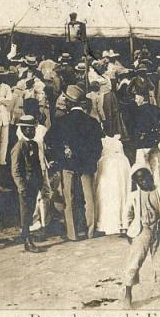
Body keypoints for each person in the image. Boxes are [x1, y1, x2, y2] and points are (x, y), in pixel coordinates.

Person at [46, 85, 104, 241]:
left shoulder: (61, 121)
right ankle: (90, 231)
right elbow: (98, 146)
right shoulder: (92, 122)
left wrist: (62, 155)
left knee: (69, 199)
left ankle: (72, 234)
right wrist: (91, 160)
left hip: (68, 165)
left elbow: (49, 140)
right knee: (89, 197)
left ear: (70, 104)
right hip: (87, 166)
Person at [120, 163, 160, 310]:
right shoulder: (134, 196)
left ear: (151, 176)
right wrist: (127, 230)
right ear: (136, 182)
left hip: (158, 231)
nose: (144, 181)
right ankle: (127, 296)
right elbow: (127, 213)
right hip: (142, 231)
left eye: (145, 177)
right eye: (140, 180)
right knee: (134, 263)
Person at [10, 115, 50, 253]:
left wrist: (39, 182)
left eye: (33, 129)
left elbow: (37, 165)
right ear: (22, 129)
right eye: (29, 129)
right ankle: (27, 240)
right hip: (25, 186)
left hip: (34, 184)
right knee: (25, 214)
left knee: (30, 212)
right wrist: (21, 187)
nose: (32, 132)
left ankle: (28, 238)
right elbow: (15, 170)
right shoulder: (19, 147)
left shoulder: (34, 144)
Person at [94, 133, 131, 235]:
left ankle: (111, 222)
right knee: (119, 193)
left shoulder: (103, 141)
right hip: (120, 164)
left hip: (109, 164)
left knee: (108, 193)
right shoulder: (118, 142)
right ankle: (122, 222)